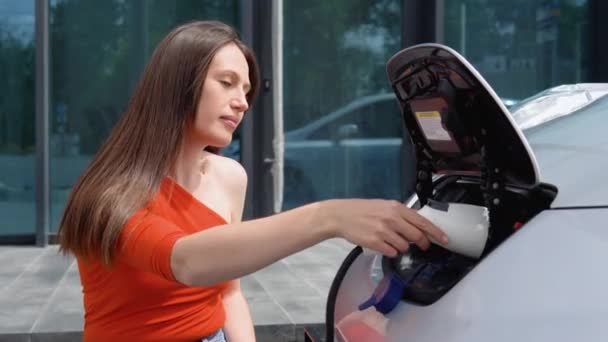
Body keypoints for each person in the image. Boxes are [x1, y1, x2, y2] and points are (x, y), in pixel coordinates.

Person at [57, 20, 448, 342]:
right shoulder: (107, 195)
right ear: (177, 85)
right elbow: (185, 260)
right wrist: (328, 217)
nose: (243, 101)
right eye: (226, 83)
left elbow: (227, 290)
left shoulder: (230, 177)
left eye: (246, 89)